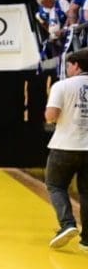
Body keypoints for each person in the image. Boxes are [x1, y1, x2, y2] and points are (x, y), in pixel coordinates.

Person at [44, 49, 88, 249]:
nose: (67, 69)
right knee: (86, 192)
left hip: (65, 146)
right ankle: (87, 241)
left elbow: (51, 116)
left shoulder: (62, 86)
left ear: (76, 65)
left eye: (69, 65)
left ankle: (68, 224)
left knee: (55, 185)